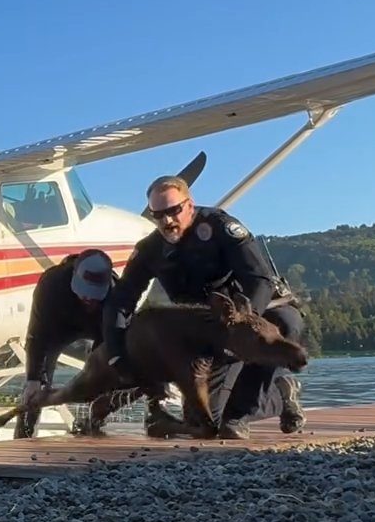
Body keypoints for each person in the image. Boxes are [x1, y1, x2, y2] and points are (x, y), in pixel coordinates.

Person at [103, 174, 306, 440]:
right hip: (206, 330)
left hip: (251, 314)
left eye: (174, 211)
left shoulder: (221, 228)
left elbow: (259, 280)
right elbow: (121, 301)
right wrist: (117, 354)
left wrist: (243, 325)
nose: (167, 221)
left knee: (287, 322)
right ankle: (282, 393)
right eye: (158, 214)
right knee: (207, 422)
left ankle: (243, 413)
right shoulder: (151, 249)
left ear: (189, 205)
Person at [13, 249, 117, 439]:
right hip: (58, 328)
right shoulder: (51, 284)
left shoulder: (118, 297)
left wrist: (99, 380)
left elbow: (111, 346)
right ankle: (24, 436)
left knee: (102, 379)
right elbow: (37, 335)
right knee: (37, 385)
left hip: (100, 329)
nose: (87, 299)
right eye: (84, 292)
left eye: (94, 296)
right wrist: (33, 379)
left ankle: (93, 423)